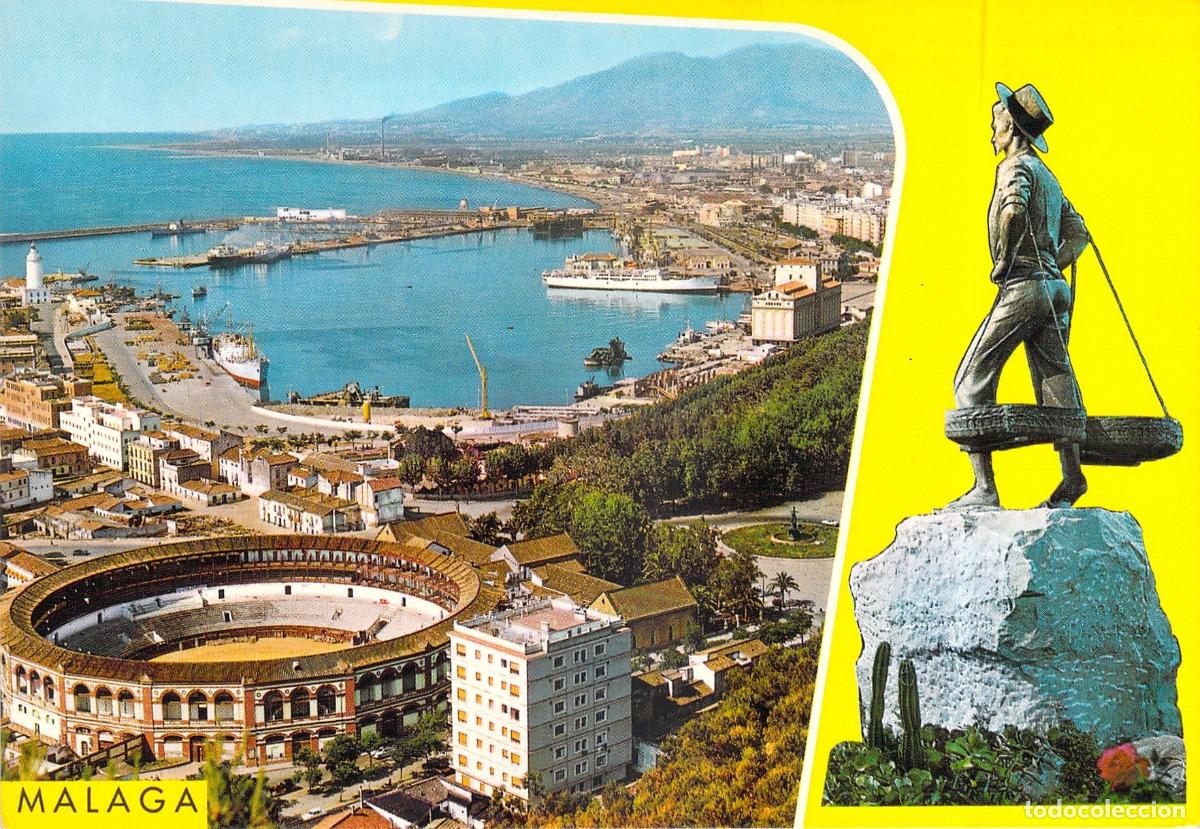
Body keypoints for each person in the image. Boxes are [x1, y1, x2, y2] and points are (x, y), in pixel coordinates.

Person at [947, 82, 1091, 510]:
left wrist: (1005, 262)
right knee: (1056, 380)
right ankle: (1072, 477)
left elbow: (1012, 210)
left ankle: (984, 488)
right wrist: (1053, 264)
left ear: (1010, 128)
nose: (991, 133)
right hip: (1053, 290)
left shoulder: (1015, 168)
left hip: (1024, 288)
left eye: (995, 124)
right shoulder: (1050, 176)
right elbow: (1079, 234)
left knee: (971, 379)